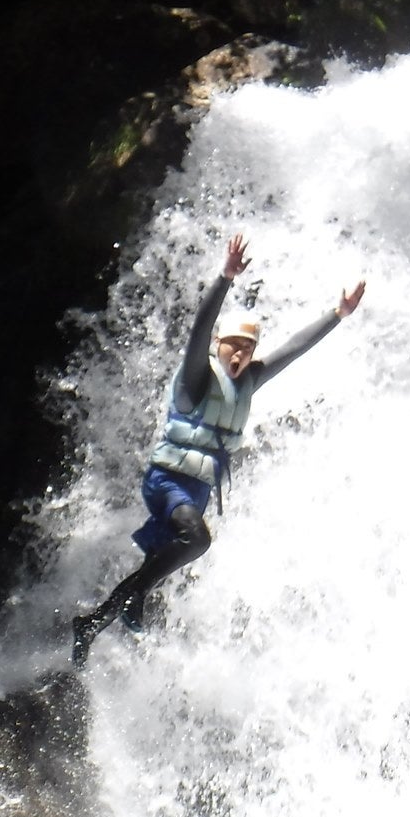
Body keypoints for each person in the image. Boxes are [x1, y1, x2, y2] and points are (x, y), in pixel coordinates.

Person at [71, 232, 365, 665]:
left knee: (155, 568)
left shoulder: (248, 381)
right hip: (167, 483)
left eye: (248, 348)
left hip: (199, 492)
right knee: (197, 540)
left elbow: (293, 350)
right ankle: (128, 604)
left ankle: (92, 623)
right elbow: (199, 330)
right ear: (221, 347)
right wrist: (225, 278)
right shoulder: (197, 379)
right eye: (235, 345)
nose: (242, 354)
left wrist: (337, 314)